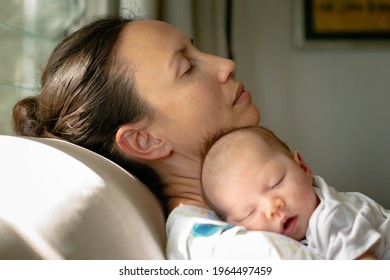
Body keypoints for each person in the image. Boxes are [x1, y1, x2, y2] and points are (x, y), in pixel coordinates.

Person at [12, 15, 322, 259]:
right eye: (187, 68)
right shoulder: (219, 251)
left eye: (196, 49)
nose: (227, 65)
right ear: (145, 141)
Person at [201, 125, 390, 259]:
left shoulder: (331, 219)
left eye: (276, 182)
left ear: (302, 167)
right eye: (249, 212)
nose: (272, 207)